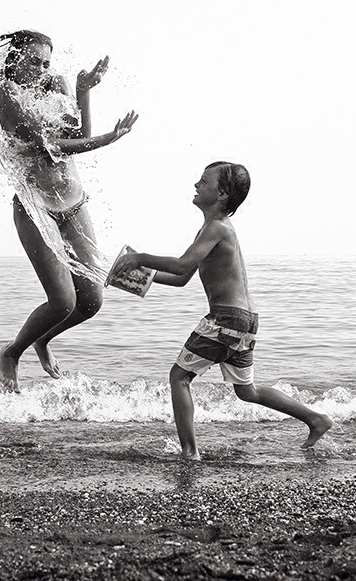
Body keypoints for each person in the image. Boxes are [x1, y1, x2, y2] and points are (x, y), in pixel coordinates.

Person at [112, 162, 333, 458]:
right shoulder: (212, 229)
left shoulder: (217, 227)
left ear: (222, 194)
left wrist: (140, 257)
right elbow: (180, 278)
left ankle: (190, 452)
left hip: (226, 318)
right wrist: (132, 278)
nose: (196, 184)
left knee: (179, 377)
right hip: (245, 320)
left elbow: (180, 264)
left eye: (204, 181)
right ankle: (316, 419)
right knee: (248, 391)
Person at [0, 30, 138, 392]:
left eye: (46, 62)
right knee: (62, 302)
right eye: (34, 62)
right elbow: (49, 148)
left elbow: (77, 132)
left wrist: (82, 91)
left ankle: (43, 341)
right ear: (16, 60)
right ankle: (12, 353)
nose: (42, 69)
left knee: (91, 301)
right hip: (35, 209)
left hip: (74, 204)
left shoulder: (55, 83)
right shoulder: (9, 94)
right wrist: (108, 139)